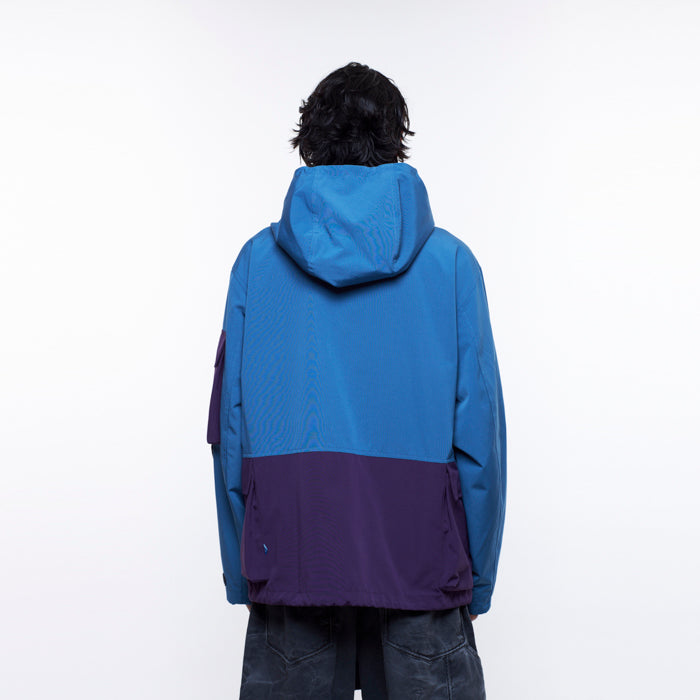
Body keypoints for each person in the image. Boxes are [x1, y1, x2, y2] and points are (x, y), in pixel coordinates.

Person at [207, 61, 507, 699]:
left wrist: (247, 568)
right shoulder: (452, 265)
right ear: (396, 142)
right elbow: (480, 439)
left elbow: (230, 432)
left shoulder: (257, 264)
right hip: (422, 563)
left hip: (294, 554)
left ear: (309, 142)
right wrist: (476, 579)